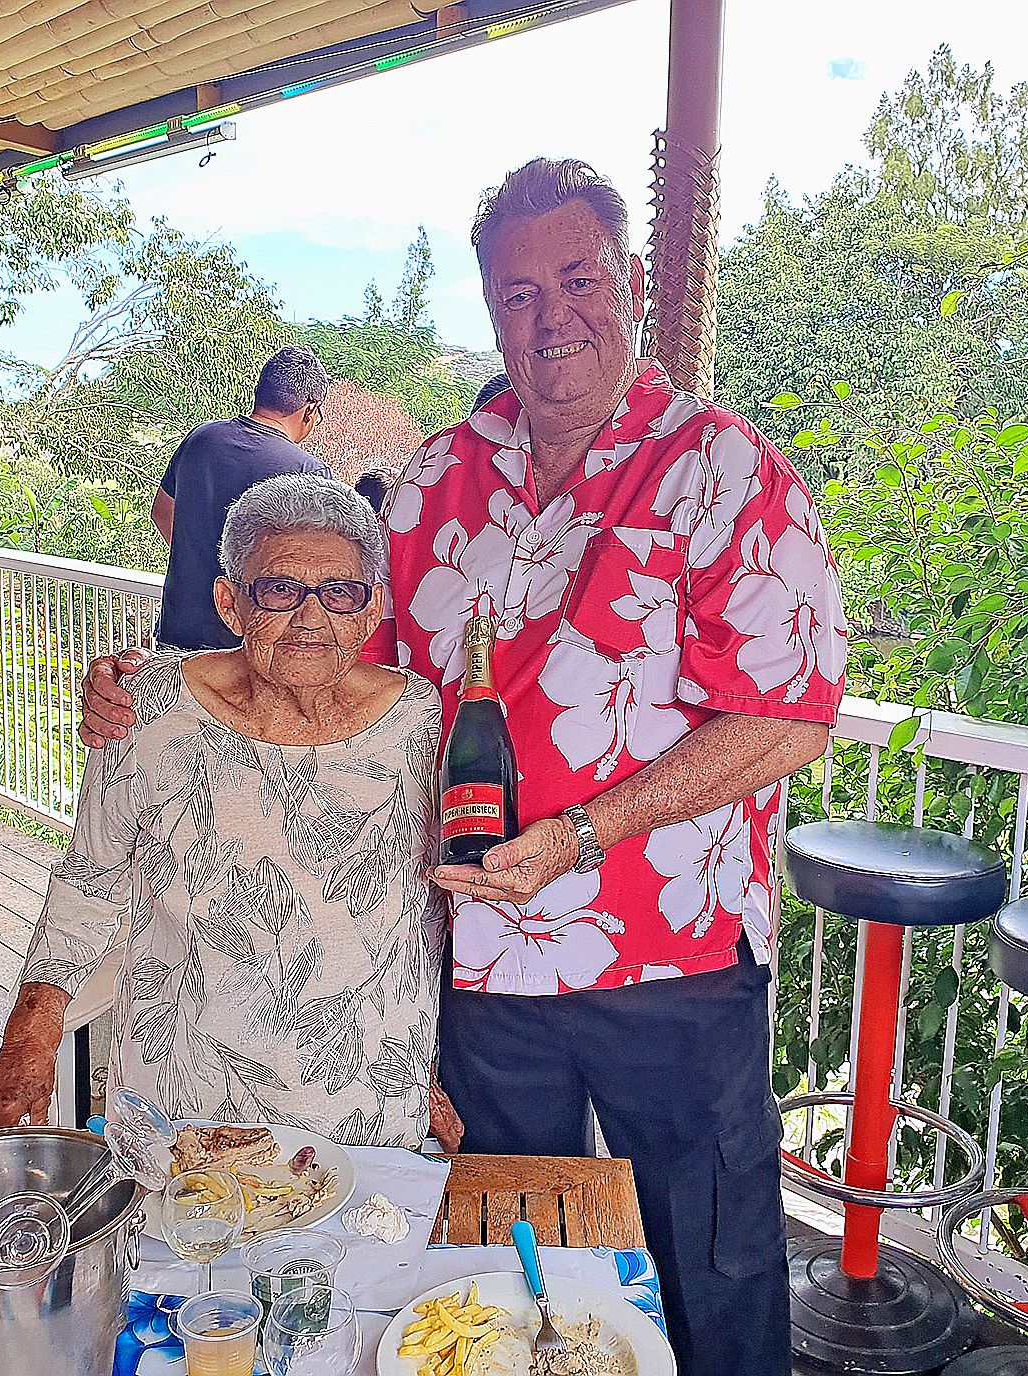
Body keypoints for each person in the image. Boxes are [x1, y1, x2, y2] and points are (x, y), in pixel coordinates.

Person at [82, 158, 849, 1376]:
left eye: (578, 279)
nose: (551, 318)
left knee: (712, 1256)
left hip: (669, 952)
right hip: (476, 958)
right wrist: (158, 688)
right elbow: (333, 672)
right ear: (490, 311)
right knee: (502, 1255)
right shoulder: (437, 479)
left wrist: (583, 831)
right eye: (517, 292)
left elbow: (789, 717)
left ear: (633, 284)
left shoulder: (725, 470)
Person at [0, 474, 462, 1151]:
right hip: (184, 1087)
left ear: (373, 607)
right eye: (279, 589)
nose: (310, 617)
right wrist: (31, 1031)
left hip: (365, 1098)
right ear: (229, 603)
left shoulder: (423, 719)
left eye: (339, 593)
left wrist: (444, 1066)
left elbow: (449, 902)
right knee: (183, 1246)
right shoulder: (145, 708)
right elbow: (89, 880)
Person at [151, 345, 333, 651]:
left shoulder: (201, 439)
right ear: (310, 410)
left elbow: (161, 510)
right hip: (251, 644)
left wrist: (202, 558)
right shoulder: (307, 471)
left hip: (179, 631)